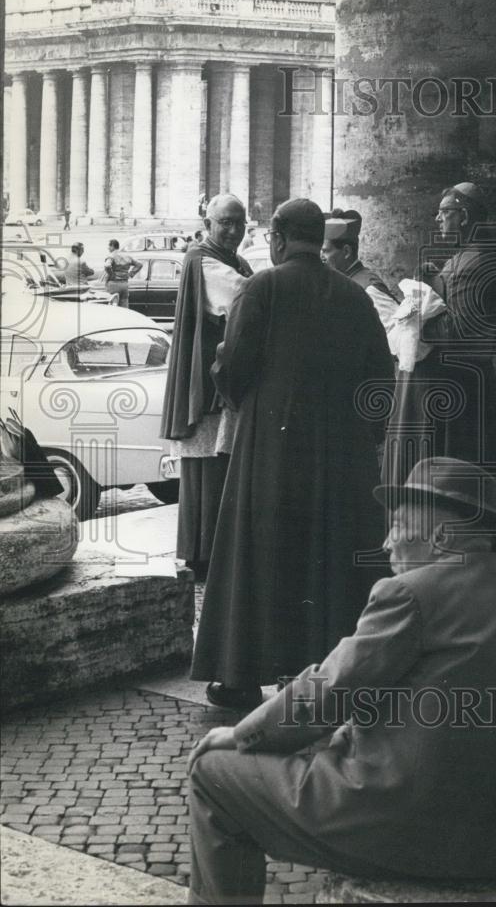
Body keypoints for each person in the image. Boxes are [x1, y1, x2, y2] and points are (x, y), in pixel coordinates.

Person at [187, 455, 496, 905]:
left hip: (401, 827)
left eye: (397, 526)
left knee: (211, 775)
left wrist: (242, 733)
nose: (386, 543)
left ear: (442, 536)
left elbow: (329, 691)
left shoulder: (411, 594)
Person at [191, 198, 394, 710]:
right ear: (317, 238)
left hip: (271, 446)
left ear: (278, 239)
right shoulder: (354, 295)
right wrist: (363, 437)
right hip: (340, 453)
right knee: (326, 559)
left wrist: (230, 379)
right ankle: (324, 673)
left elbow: (233, 367)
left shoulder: (262, 288)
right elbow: (380, 381)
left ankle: (240, 675)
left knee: (260, 555)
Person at [382, 182, 496, 516]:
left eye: (445, 213)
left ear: (464, 216)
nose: (438, 219)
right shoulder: (468, 257)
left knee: (457, 474)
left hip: (459, 390)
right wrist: (433, 282)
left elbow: (460, 332)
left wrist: (415, 317)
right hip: (464, 386)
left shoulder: (475, 262)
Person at [160, 195, 254, 583]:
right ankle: (204, 555)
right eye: (225, 223)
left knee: (218, 466)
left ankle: (213, 552)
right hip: (208, 381)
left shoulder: (234, 259)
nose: (233, 231)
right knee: (208, 468)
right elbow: (244, 298)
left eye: (239, 223)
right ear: (208, 223)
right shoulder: (203, 259)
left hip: (220, 377)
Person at [321, 208, 400, 333]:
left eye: (325, 251)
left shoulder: (370, 289)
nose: (321, 257)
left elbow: (397, 337)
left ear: (346, 252)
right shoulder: (339, 281)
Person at [103, 240, 142, 308]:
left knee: (112, 306)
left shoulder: (111, 256)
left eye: (109, 246)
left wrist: (111, 274)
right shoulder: (127, 256)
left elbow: (107, 266)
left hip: (113, 284)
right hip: (124, 284)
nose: (108, 248)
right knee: (124, 306)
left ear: (112, 246)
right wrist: (131, 274)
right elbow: (139, 264)